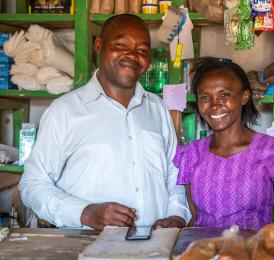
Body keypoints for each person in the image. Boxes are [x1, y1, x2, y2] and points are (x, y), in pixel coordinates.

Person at [19, 14, 191, 230]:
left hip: (153, 247)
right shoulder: (65, 111)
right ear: (99, 45)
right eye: (120, 45)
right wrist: (85, 213)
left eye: (142, 50)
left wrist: (176, 215)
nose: (131, 55)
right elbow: (32, 184)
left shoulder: (158, 109)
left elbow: (174, 176)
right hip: (86, 247)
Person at [174, 57, 274, 229]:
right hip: (204, 250)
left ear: (244, 96)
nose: (214, 105)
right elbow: (193, 217)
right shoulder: (191, 154)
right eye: (205, 97)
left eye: (224, 95)